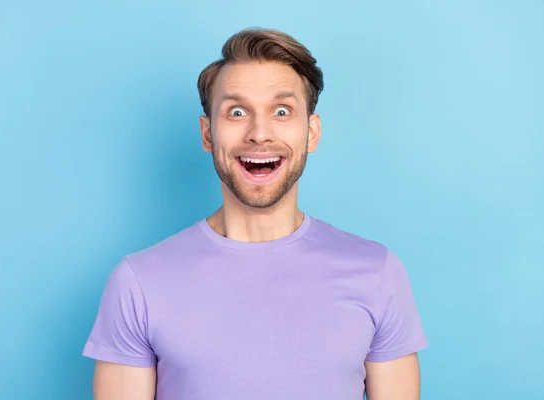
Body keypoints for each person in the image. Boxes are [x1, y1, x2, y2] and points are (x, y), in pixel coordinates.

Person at [82, 27, 428, 400]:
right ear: (208, 134)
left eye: (282, 111)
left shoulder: (377, 272)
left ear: (311, 132)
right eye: (236, 111)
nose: (259, 133)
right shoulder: (138, 283)